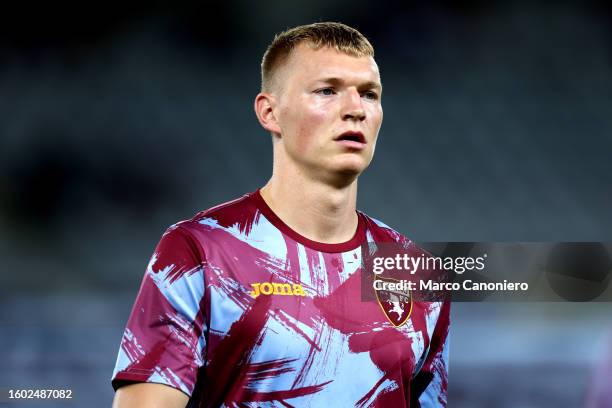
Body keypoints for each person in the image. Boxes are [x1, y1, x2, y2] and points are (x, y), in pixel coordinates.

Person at [111, 22, 450, 407]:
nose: (355, 109)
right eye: (327, 91)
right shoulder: (200, 251)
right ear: (270, 112)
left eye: (370, 95)